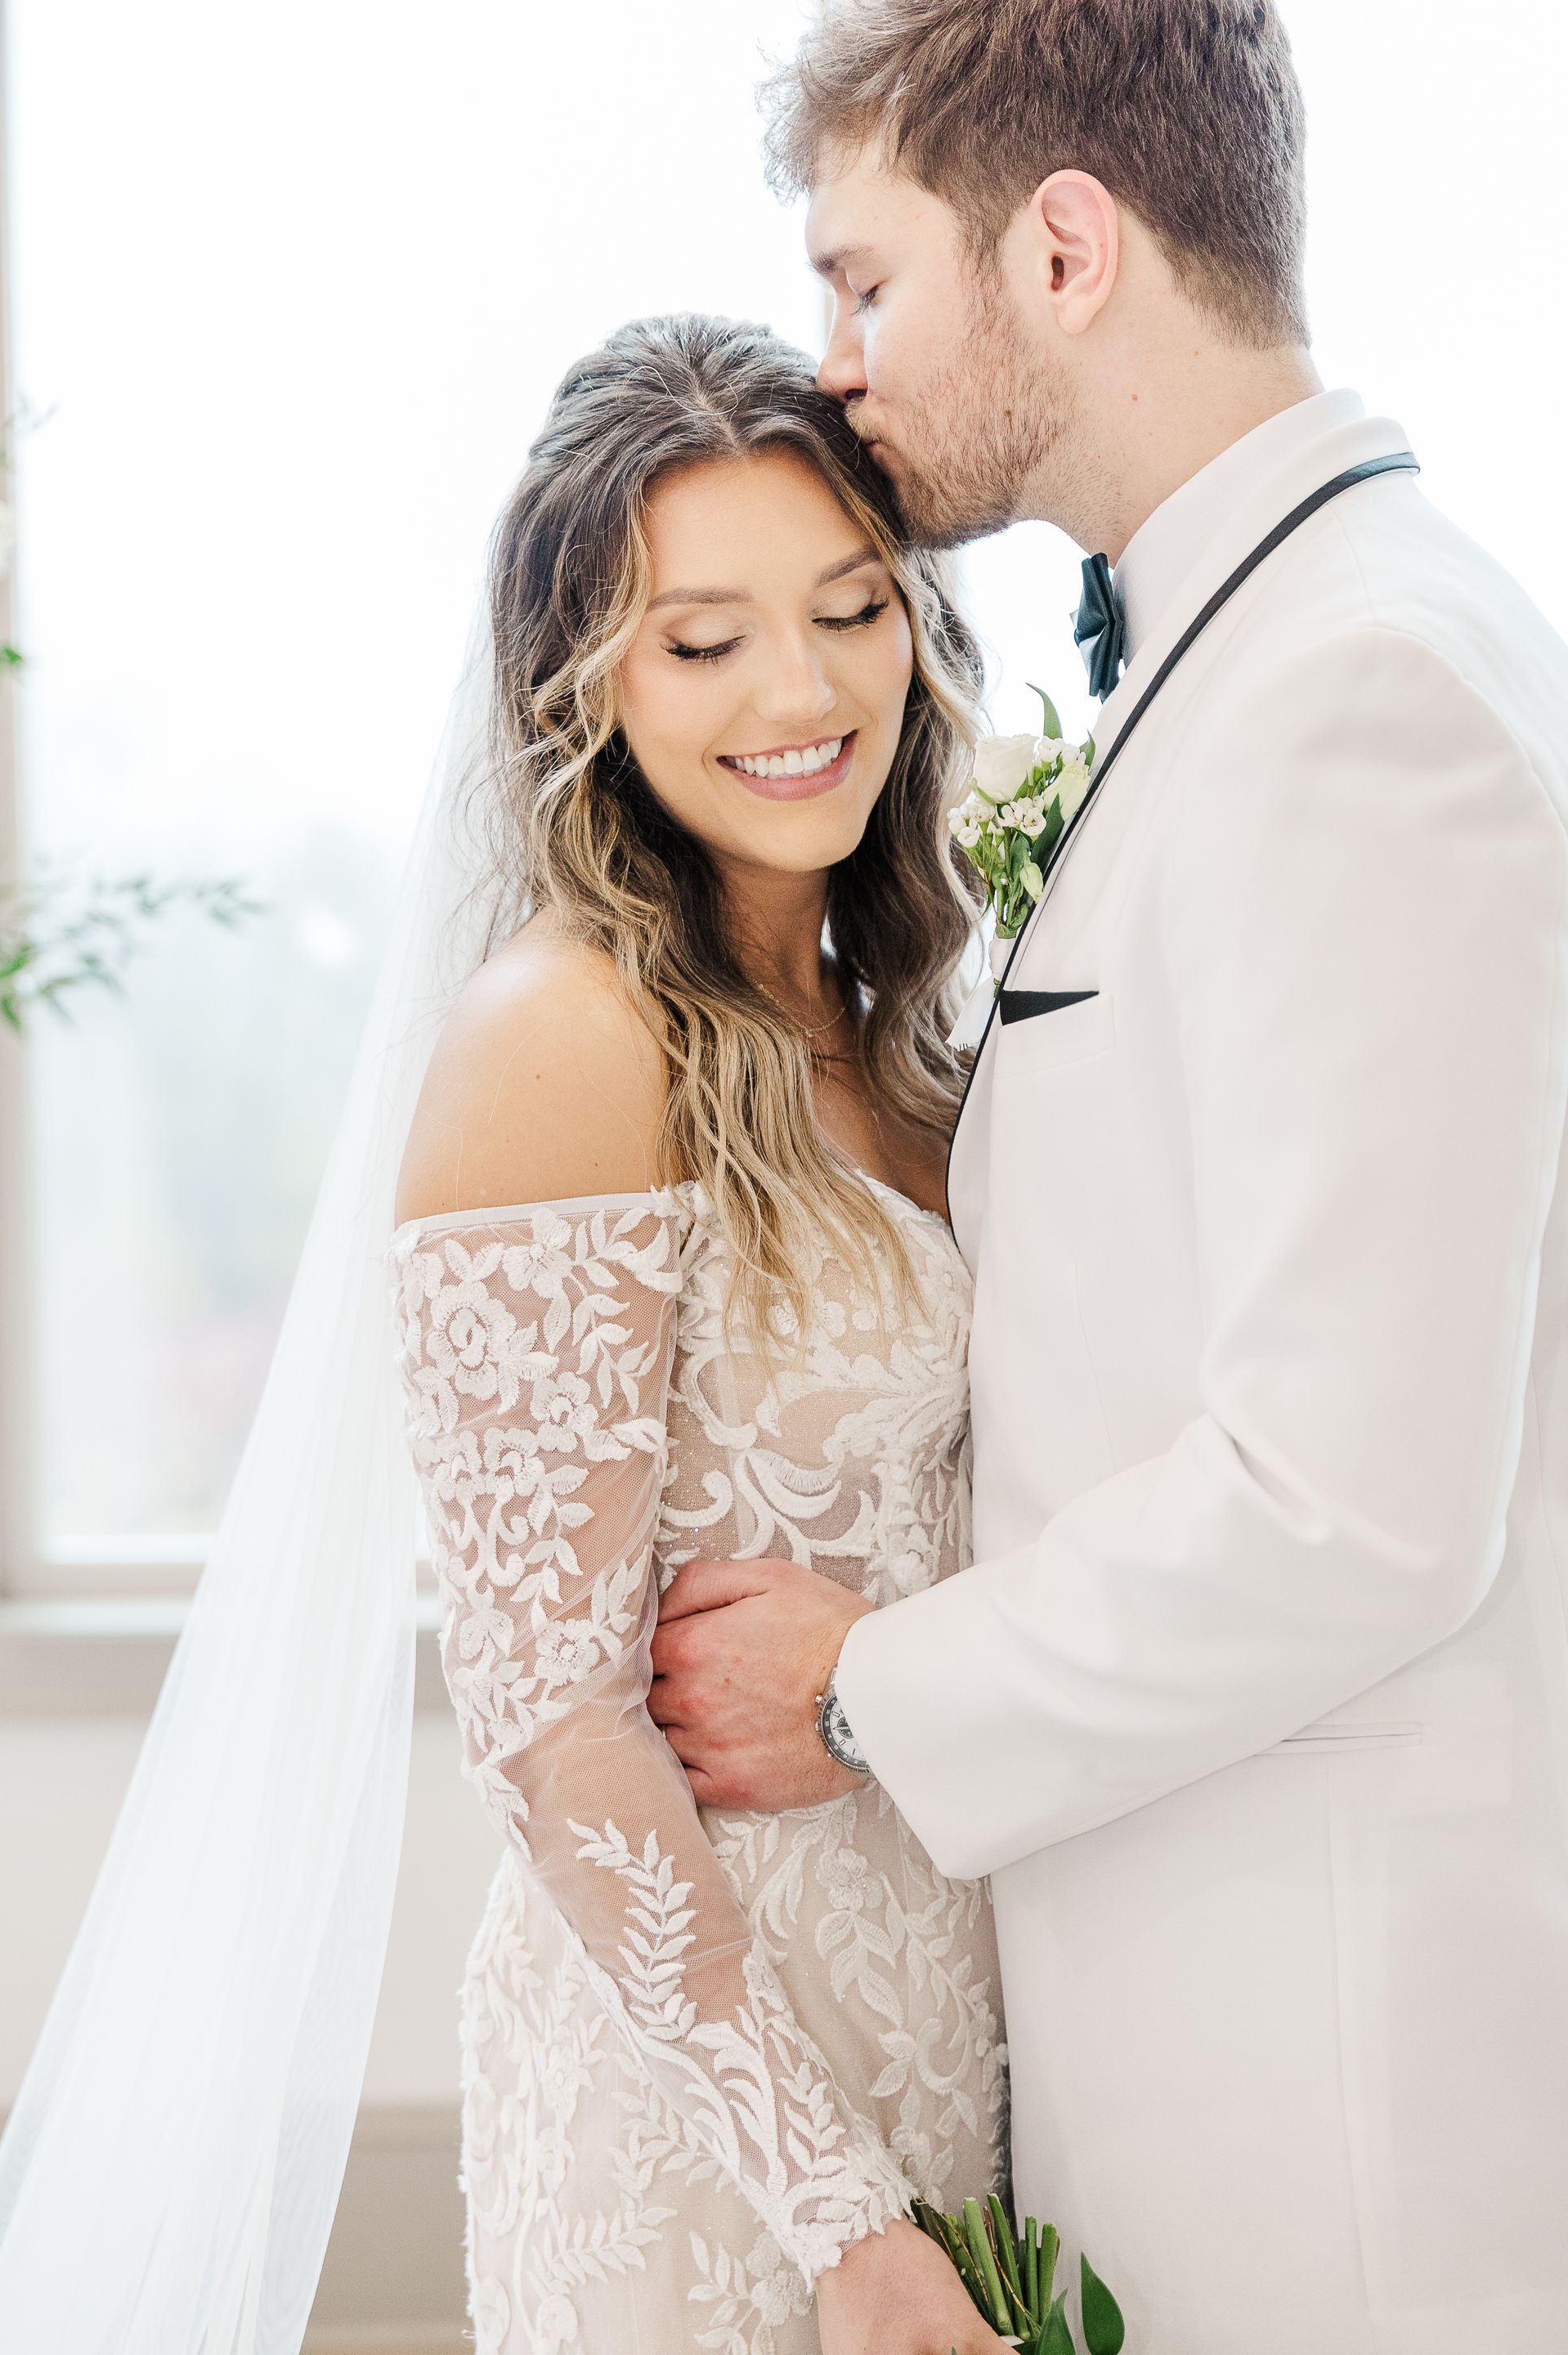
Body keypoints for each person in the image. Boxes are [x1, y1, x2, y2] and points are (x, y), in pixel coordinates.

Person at [648, 5, 1568, 2351]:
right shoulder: (1263, 651)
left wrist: (867, 1685)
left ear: (1064, 250)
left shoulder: (1362, 694)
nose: (837, 361)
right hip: (1190, 2007)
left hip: (1325, 2097)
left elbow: (1357, 1499)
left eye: (867, 280)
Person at [390, 314, 1010, 2354]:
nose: (803, 693)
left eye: (850, 609)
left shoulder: (899, 1028)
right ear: (586, 685)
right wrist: (843, 2220)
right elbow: (549, 1729)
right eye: (705, 640)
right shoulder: (560, 1041)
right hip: (710, 2131)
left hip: (952, 2009)